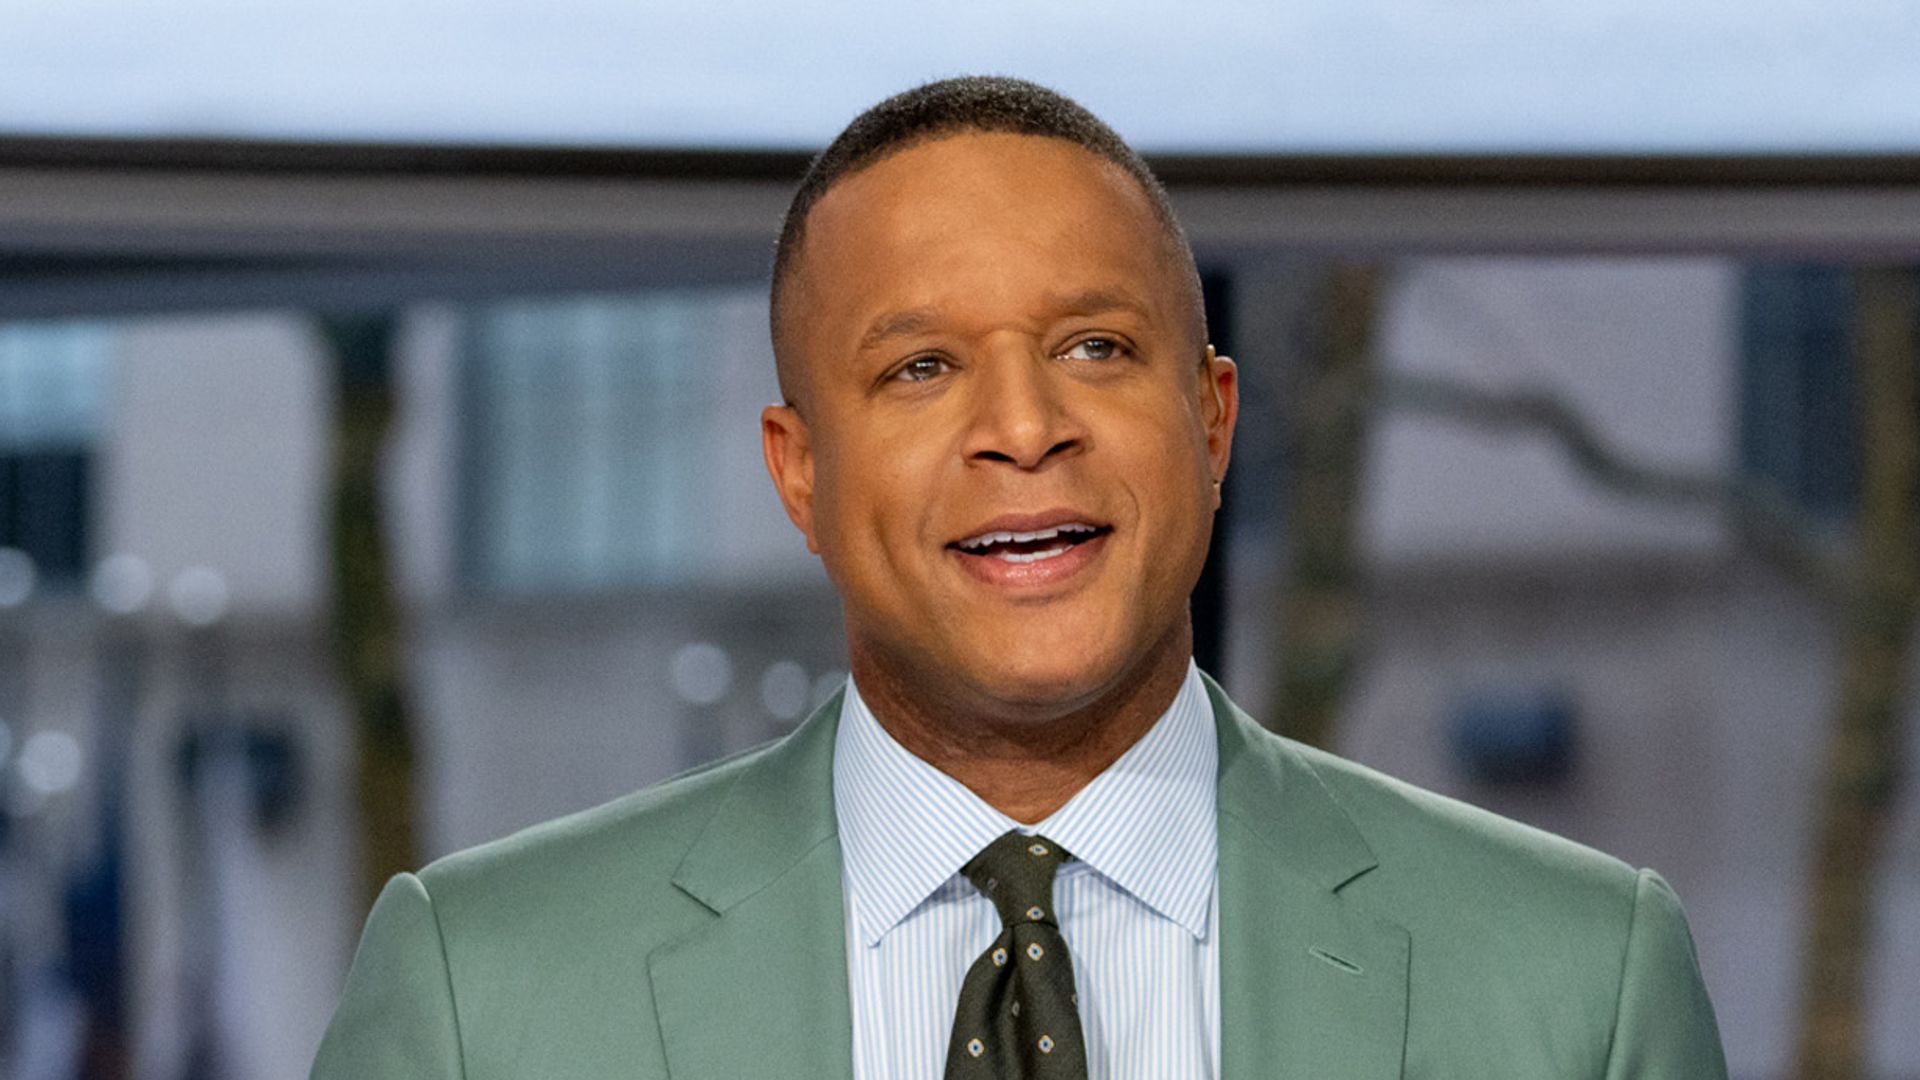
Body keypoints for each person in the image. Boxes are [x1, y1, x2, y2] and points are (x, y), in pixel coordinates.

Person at [311, 76, 1727, 1080]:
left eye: (1096, 347)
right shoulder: (478, 998)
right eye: (920, 368)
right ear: (799, 473)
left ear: (1215, 421)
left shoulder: (1580, 984)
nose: (1023, 425)